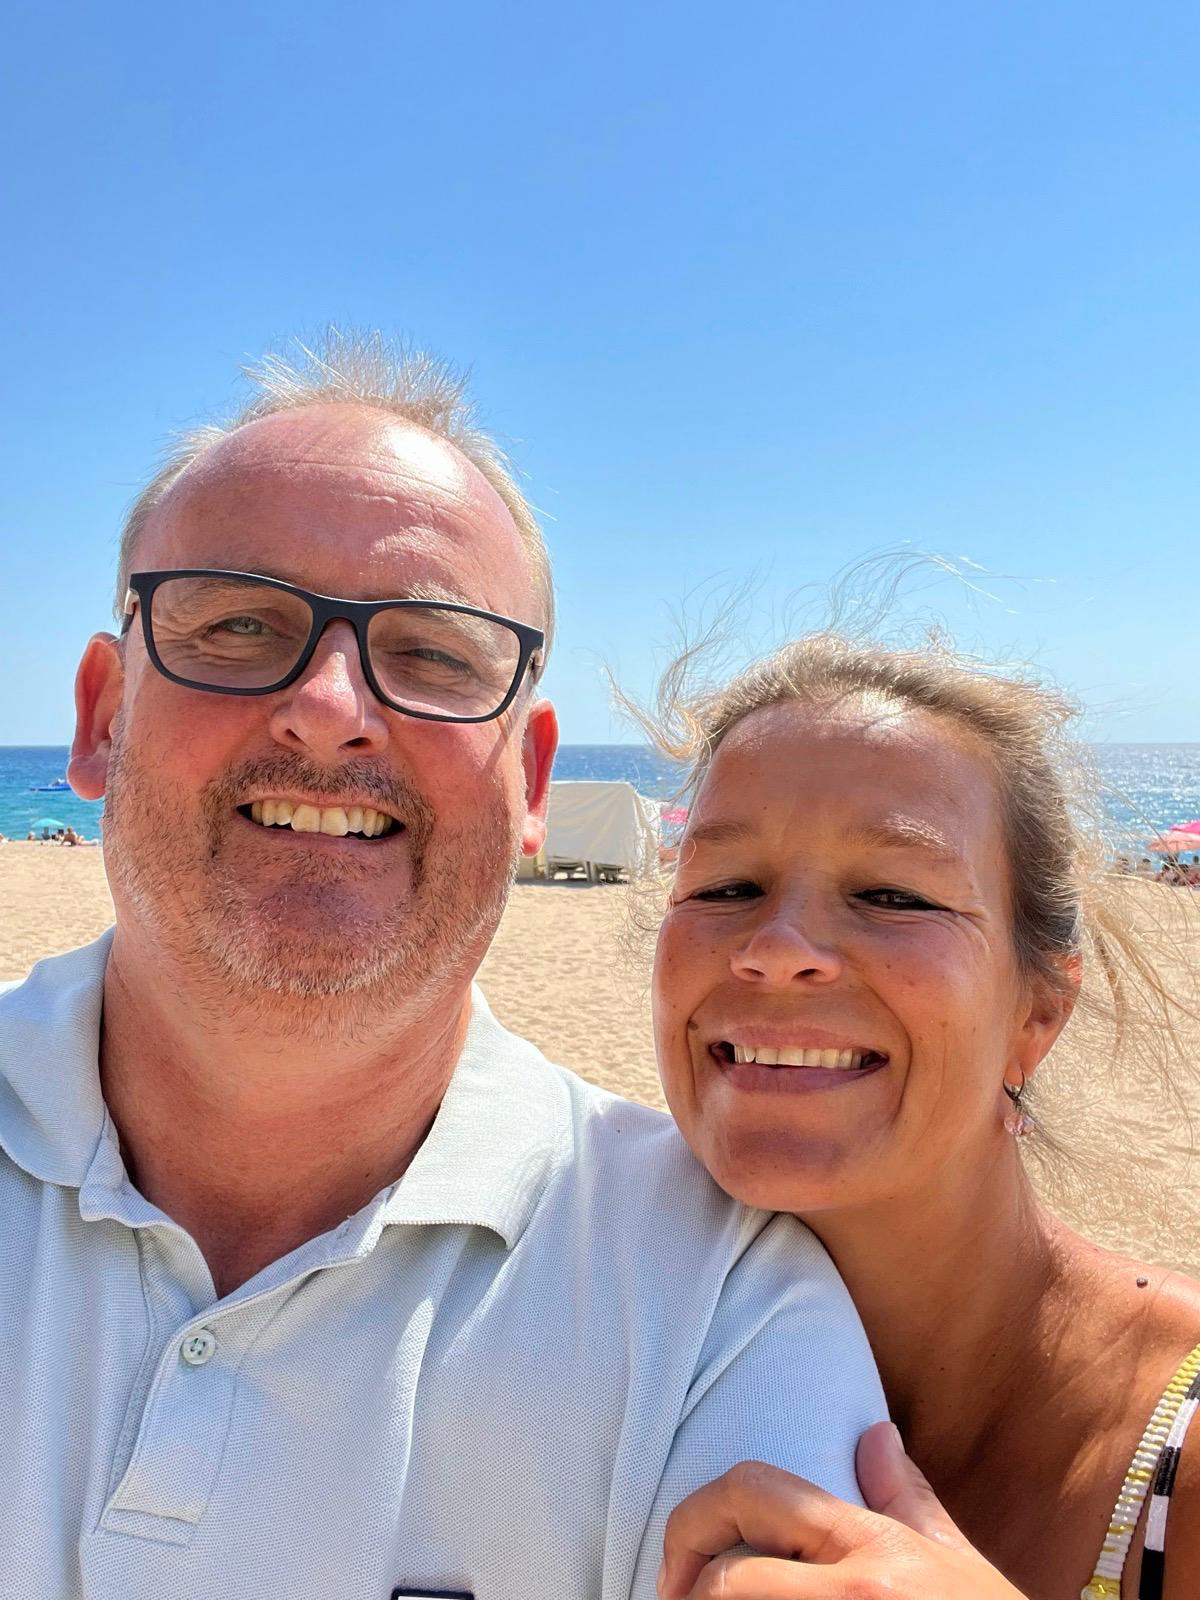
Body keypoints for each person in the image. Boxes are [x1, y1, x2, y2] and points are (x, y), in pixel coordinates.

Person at [0, 334, 885, 1600]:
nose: (329, 702)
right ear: (100, 717)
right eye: (239, 623)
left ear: (529, 779)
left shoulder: (713, 1307)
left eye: (433, 653)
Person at [641, 633, 1200, 1599]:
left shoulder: (1175, 1454)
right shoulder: (580, 1328)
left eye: (893, 894)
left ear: (1036, 1014)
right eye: (727, 887)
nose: (777, 950)